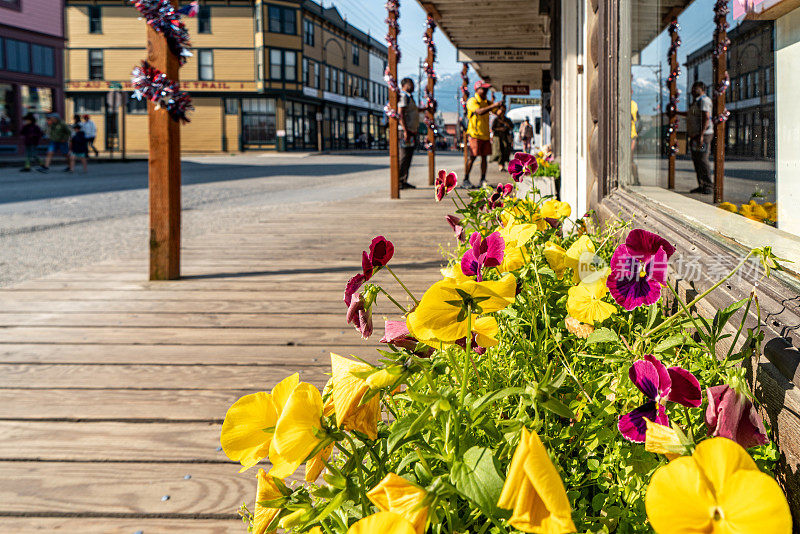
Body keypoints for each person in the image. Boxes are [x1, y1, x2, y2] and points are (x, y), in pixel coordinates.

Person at [463, 81, 503, 188]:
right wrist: (493, 105)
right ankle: (465, 179)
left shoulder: (487, 102)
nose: (486, 91)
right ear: (477, 89)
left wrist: (500, 107)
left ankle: (482, 179)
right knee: (472, 157)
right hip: (474, 134)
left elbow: (497, 113)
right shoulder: (472, 101)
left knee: (484, 158)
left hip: (485, 135)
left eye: (487, 89)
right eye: (483, 89)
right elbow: (479, 111)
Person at [686, 81, 714, 194]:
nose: (693, 91)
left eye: (695, 88)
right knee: (696, 160)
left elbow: (706, 118)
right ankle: (701, 185)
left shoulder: (704, 101)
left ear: (702, 89)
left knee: (702, 159)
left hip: (703, 135)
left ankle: (708, 185)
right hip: (695, 135)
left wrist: (701, 135)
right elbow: (690, 114)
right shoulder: (696, 102)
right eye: (692, 88)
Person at [397, 77, 419, 190]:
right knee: (403, 156)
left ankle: (404, 180)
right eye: (411, 84)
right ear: (404, 85)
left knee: (409, 156)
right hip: (405, 131)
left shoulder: (410, 98)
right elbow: (401, 114)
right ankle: (399, 181)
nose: (413, 86)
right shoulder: (403, 96)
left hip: (411, 130)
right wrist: (405, 130)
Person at [491, 104, 514, 172]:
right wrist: (500, 129)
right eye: (501, 110)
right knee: (499, 151)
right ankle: (501, 165)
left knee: (506, 150)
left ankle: (503, 165)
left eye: (504, 110)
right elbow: (493, 128)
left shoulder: (507, 120)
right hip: (498, 138)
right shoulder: (496, 120)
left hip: (505, 137)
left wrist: (506, 126)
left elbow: (511, 127)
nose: (502, 112)